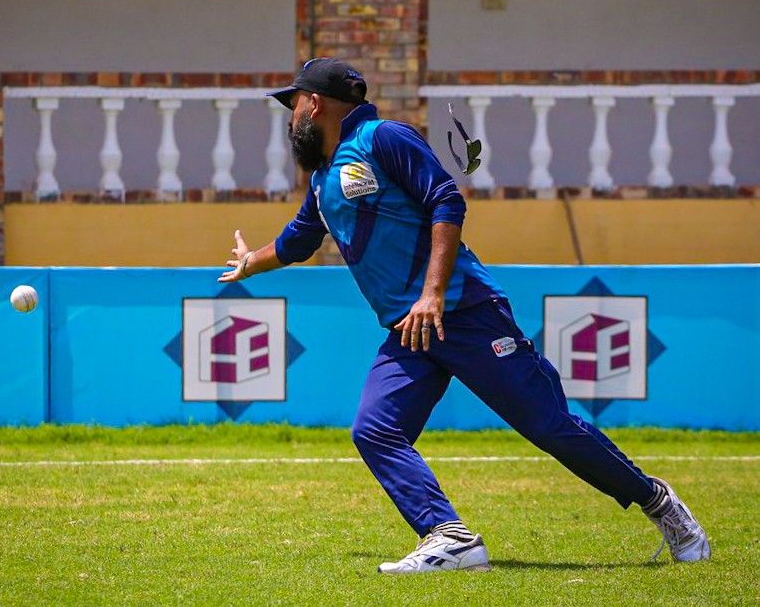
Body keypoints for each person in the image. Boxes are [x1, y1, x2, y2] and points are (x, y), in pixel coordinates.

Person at [218, 57, 710, 573]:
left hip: (467, 312)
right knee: (375, 429)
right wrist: (251, 263)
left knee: (549, 426)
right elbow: (298, 240)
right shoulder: (323, 178)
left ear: (315, 103)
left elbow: (446, 201)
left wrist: (432, 294)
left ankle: (660, 503)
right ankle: (449, 537)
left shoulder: (383, 138)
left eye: (294, 104)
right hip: (410, 330)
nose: (291, 117)